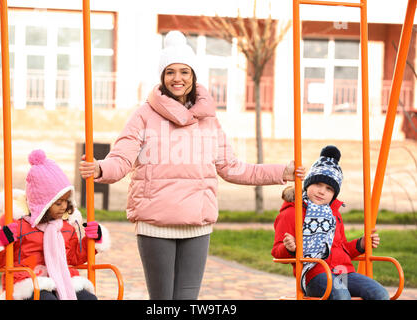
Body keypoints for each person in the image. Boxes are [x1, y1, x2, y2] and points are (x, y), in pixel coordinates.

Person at [79, 30, 305, 300]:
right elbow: (122, 158)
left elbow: (233, 168)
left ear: (194, 76)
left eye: (184, 72)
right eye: (170, 72)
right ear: (162, 77)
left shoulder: (208, 120)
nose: (178, 78)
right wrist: (101, 168)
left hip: (197, 225)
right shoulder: (143, 116)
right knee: (162, 301)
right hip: (156, 223)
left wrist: (282, 172)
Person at [0, 149, 111, 300]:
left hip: (63, 281)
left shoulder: (65, 226)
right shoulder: (16, 223)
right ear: (42, 203)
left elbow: (75, 256)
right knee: (47, 298)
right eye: (58, 202)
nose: (63, 207)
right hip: (28, 283)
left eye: (66, 201)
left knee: (88, 298)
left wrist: (93, 240)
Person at [272, 145, 390, 300]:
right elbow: (277, 251)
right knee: (341, 296)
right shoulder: (291, 212)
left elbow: (341, 249)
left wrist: (361, 244)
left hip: (343, 271)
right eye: (317, 184)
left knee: (379, 293)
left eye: (329, 189)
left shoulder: (333, 214)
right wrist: (290, 248)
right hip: (314, 273)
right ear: (307, 184)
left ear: (334, 194)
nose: (322, 191)